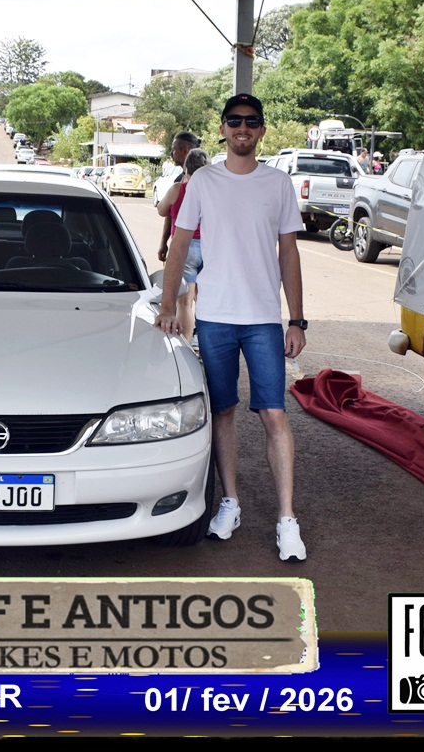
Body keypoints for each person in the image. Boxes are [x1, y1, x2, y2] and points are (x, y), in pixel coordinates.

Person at [155, 93, 308, 562]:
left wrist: (297, 319)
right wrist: (168, 305)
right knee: (222, 412)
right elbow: (179, 245)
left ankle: (287, 519)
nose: (243, 128)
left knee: (274, 415)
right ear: (223, 128)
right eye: (235, 120)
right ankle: (231, 503)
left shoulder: (278, 183)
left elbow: (288, 252)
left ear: (262, 130)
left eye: (251, 121)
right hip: (216, 317)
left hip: (262, 319)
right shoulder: (204, 181)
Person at [156, 147, 210, 346]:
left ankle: (186, 345)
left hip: (185, 248)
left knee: (185, 302)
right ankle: (204, 344)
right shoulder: (213, 192)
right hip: (209, 248)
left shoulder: (179, 189)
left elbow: (162, 210)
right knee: (206, 301)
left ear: (186, 168)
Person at [157, 130, 201, 264]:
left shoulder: (180, 186)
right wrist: (163, 242)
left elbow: (162, 210)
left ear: (185, 151)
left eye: (173, 149)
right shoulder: (180, 179)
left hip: (185, 248)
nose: (171, 153)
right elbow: (171, 214)